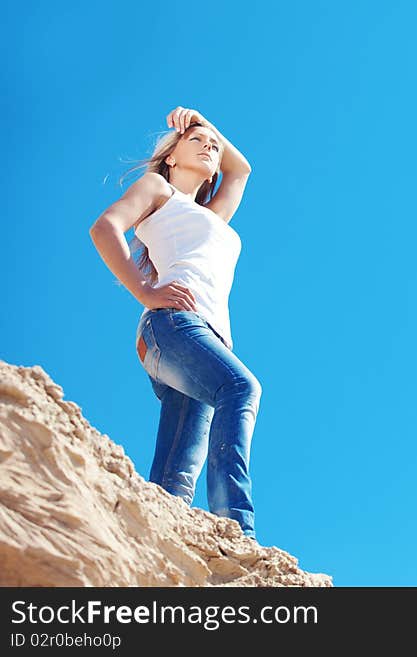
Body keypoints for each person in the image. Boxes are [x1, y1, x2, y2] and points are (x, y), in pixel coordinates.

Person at [89, 106, 260, 540]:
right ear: (171, 156)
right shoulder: (158, 191)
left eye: (213, 147)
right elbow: (104, 228)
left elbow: (241, 171)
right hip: (175, 326)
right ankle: (237, 528)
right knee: (241, 388)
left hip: (206, 340)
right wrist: (144, 291)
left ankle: (151, 545)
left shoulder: (214, 216)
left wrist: (204, 121)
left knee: (175, 479)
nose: (208, 146)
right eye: (196, 140)